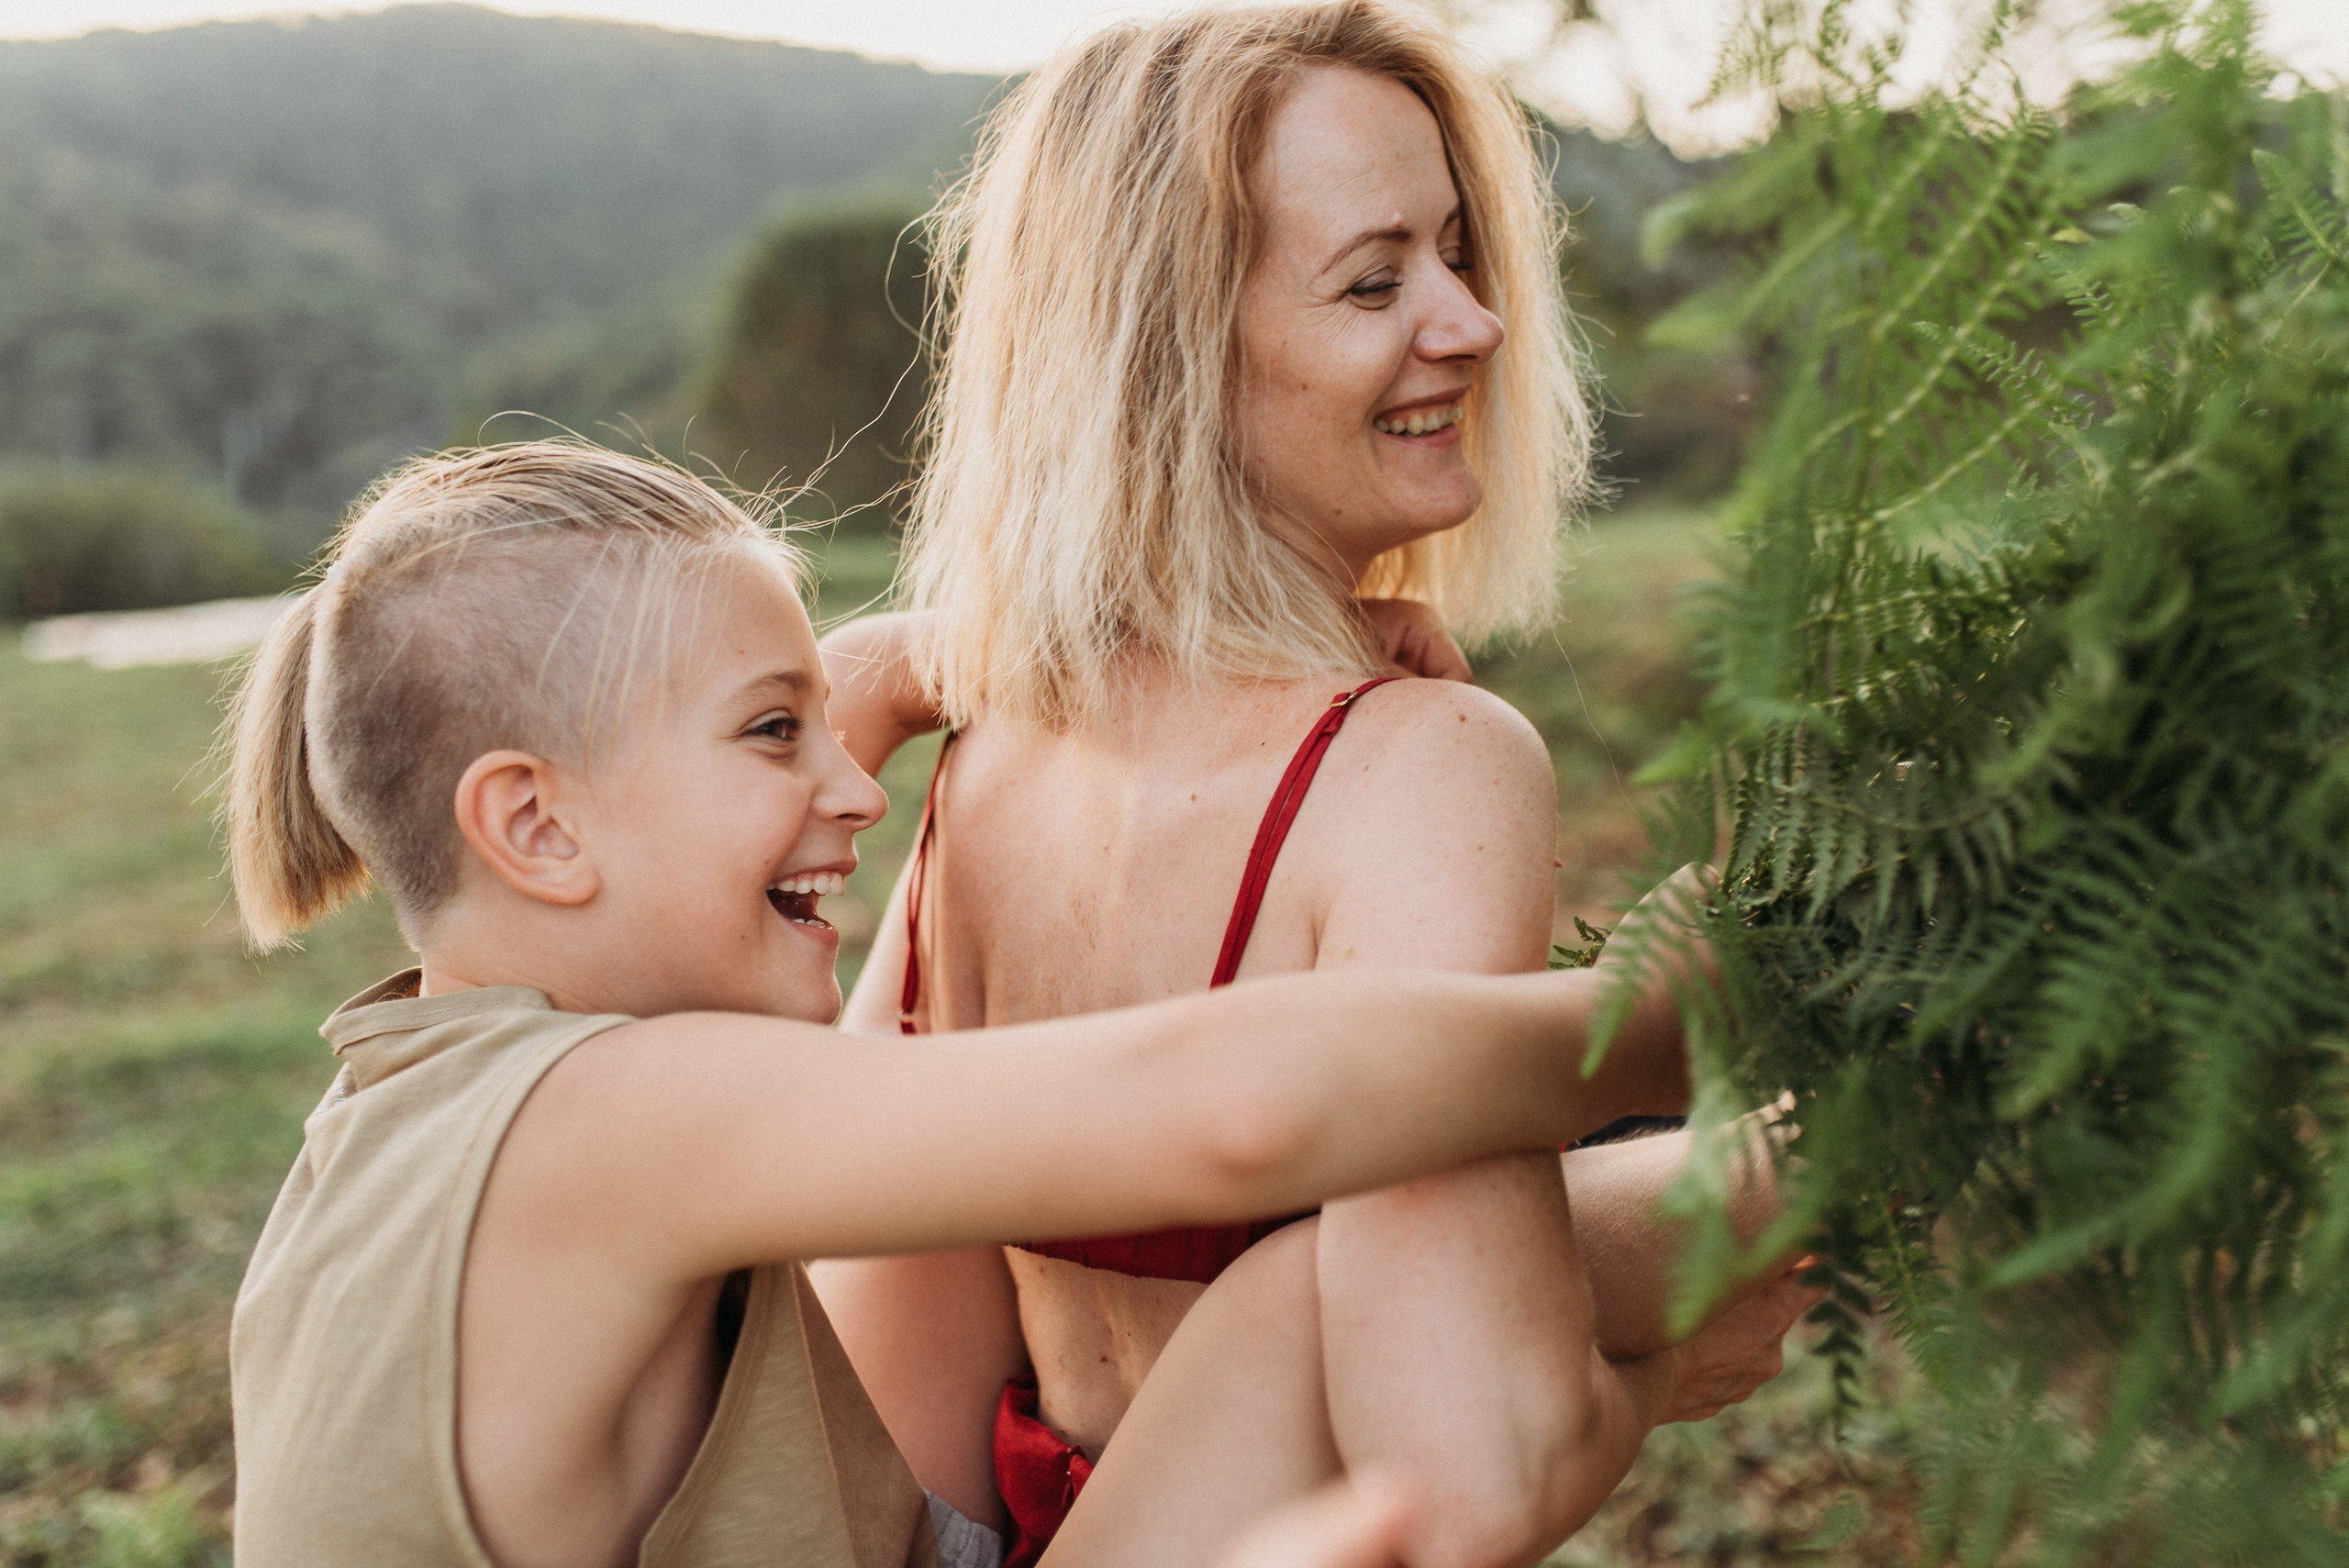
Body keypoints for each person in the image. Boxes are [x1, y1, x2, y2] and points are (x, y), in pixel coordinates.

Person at [219, 441, 1720, 1568]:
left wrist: (1013, 647)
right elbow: (1245, 1107)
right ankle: (1833, 1123)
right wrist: (1682, 1006)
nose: (856, 782)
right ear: (536, 827)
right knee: (1301, 1300)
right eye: (769, 728)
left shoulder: (407, 1112)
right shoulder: (605, 1122)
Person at [813, 6, 1804, 1564]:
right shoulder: (1422, 767)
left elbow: (861, 1290)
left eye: (1461, 254)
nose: (1475, 322)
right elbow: (1474, 1451)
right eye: (1374, 278)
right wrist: (1693, 1310)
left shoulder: (988, 753)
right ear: (1165, 360)